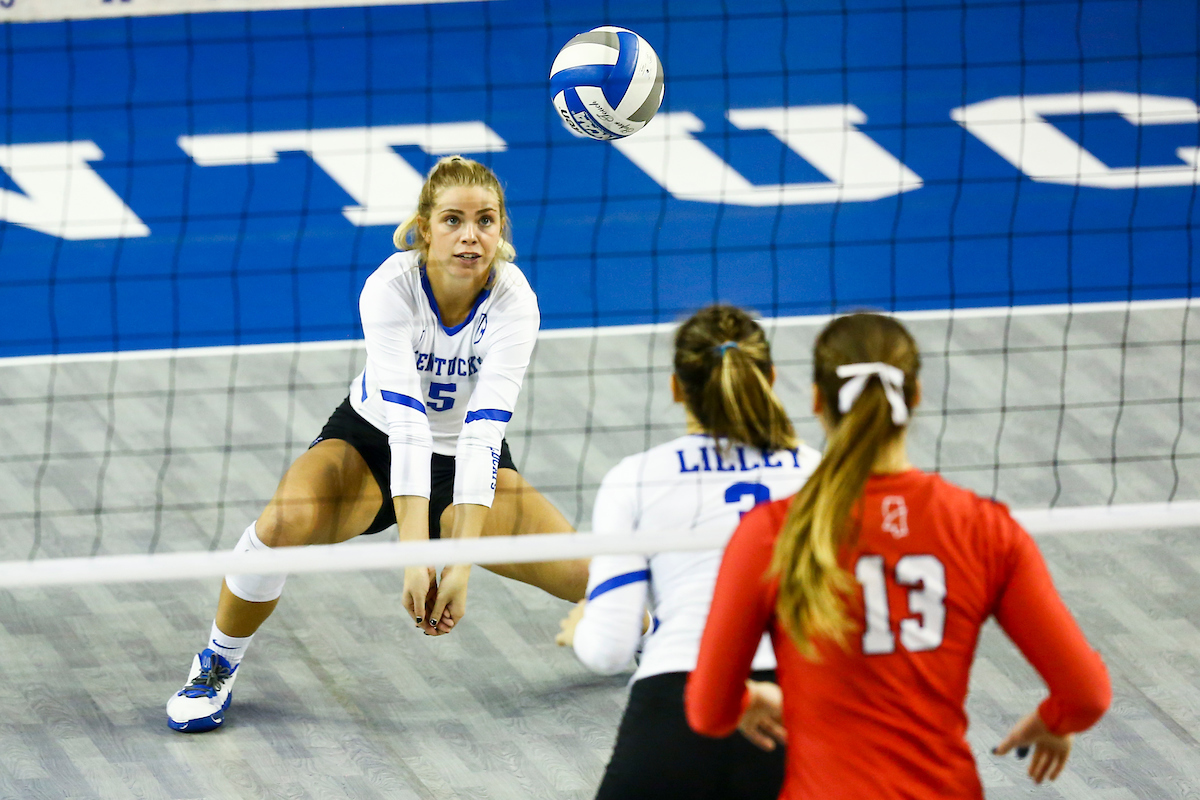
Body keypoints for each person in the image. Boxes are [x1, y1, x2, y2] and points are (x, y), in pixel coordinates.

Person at [167, 155, 588, 733]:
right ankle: (217, 661)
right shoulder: (391, 287)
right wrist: (416, 562)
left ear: (501, 229)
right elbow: (409, 428)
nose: (470, 235)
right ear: (424, 226)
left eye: (486, 220)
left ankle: (667, 643)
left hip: (466, 454)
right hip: (375, 440)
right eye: (453, 220)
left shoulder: (515, 303)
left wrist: (456, 570)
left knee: (595, 578)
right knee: (283, 523)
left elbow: (483, 433)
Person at [685, 312, 1112, 798]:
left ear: (817, 401)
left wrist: (751, 697)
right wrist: (1054, 719)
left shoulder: (772, 533)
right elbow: (1087, 693)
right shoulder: (985, 530)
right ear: (915, 398)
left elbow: (708, 711)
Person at [555, 305, 821, 800]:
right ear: (770, 377)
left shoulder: (636, 477)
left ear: (677, 387)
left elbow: (610, 650)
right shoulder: (821, 474)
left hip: (678, 707)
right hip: (802, 709)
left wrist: (585, 627)